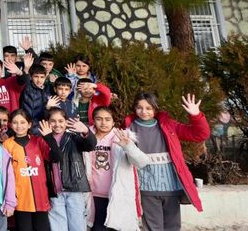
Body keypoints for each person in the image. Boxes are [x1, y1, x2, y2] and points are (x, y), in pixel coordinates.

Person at [125, 93, 209, 231]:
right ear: (134, 108)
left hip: (171, 187)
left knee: (173, 227)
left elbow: (199, 134)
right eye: (139, 107)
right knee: (153, 227)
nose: (144, 111)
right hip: (146, 187)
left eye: (148, 108)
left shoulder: (168, 125)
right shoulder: (130, 128)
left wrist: (196, 115)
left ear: (155, 109)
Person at [86, 106, 148, 231]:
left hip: (117, 195)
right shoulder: (86, 138)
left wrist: (128, 146)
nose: (103, 123)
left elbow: (142, 162)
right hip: (94, 195)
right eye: (99, 119)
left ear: (113, 122)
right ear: (93, 120)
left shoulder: (122, 137)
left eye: (107, 119)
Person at [39, 109, 96, 231]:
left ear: (66, 122)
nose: (57, 124)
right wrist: (48, 137)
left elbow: (90, 145)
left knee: (77, 224)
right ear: (47, 122)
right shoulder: (44, 139)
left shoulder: (73, 137)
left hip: (74, 188)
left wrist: (86, 131)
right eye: (53, 121)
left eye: (60, 121)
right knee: (58, 225)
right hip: (55, 191)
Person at [3, 109, 51, 231]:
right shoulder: (7, 144)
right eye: (15, 122)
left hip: (40, 197)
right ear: (10, 124)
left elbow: (54, 157)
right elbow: (4, 173)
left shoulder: (38, 141)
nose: (19, 126)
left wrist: (49, 137)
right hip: (21, 198)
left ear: (29, 124)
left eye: (23, 122)